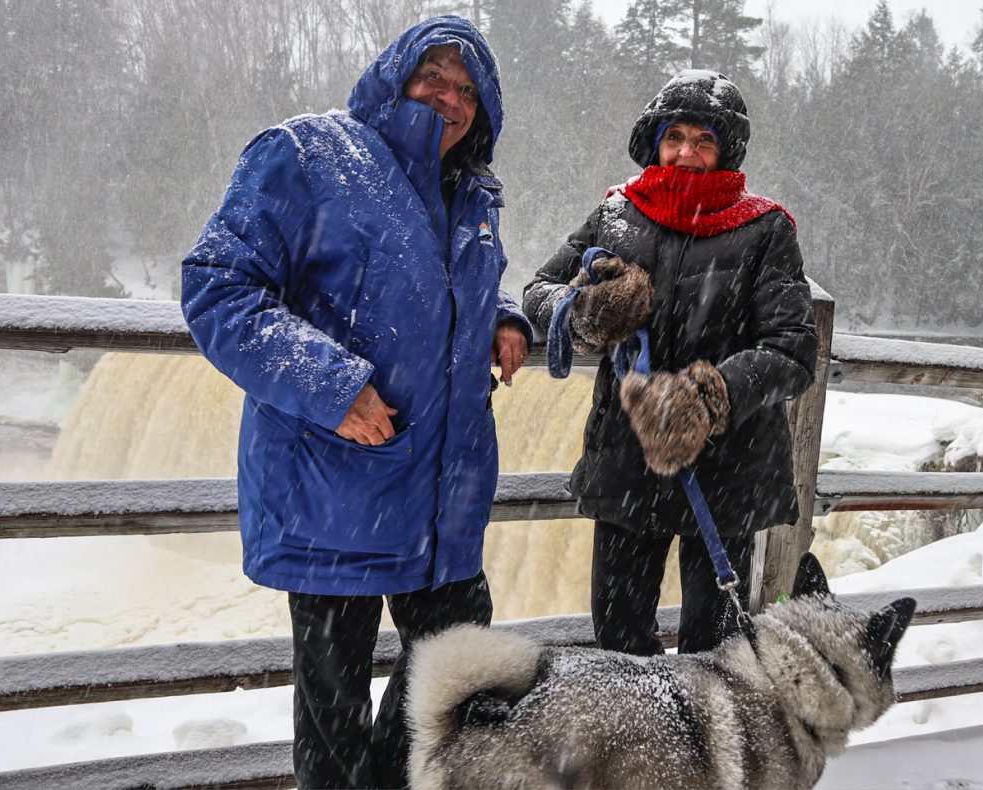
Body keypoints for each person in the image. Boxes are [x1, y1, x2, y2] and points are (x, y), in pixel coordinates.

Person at [181, 16, 530, 788]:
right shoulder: (308, 156)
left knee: (457, 671)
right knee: (333, 712)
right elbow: (216, 286)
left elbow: (442, 284)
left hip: (441, 493)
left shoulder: (470, 192)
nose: (449, 99)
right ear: (393, 78)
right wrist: (331, 386)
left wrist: (502, 313)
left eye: (466, 89)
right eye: (433, 78)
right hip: (334, 489)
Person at [523, 69, 817, 658]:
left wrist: (707, 396)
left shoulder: (766, 230)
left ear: (725, 151)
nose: (686, 152)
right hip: (628, 465)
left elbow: (792, 346)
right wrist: (586, 309)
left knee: (714, 653)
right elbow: (538, 291)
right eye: (675, 137)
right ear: (654, 141)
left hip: (728, 471)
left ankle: (697, 725)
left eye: (704, 140)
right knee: (619, 644)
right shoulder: (615, 214)